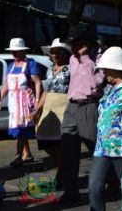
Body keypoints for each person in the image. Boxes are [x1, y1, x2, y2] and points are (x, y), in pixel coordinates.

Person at [89, 46, 122, 211]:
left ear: (116, 68)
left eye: (106, 69)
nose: (104, 73)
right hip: (102, 147)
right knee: (94, 187)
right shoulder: (109, 89)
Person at [59, 31, 105, 203]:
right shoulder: (72, 59)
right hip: (72, 107)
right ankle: (71, 191)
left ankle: (111, 182)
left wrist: (86, 59)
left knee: (96, 148)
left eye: (75, 43)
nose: (72, 46)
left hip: (89, 106)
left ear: (85, 43)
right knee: (69, 151)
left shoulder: (98, 59)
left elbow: (97, 83)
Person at [33, 38, 71, 185]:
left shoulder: (71, 69)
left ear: (65, 54)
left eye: (58, 52)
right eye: (52, 52)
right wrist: (38, 108)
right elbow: (46, 91)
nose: (55, 55)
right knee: (44, 141)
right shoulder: (50, 69)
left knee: (59, 142)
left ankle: (61, 174)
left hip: (64, 106)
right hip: (49, 107)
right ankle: (65, 164)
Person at [0, 38, 41, 167]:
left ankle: (18, 157)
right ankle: (26, 153)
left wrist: (38, 101)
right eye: (12, 51)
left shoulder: (30, 63)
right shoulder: (11, 65)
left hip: (25, 102)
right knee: (19, 128)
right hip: (13, 103)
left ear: (23, 51)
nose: (14, 53)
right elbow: (7, 83)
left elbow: (37, 82)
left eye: (16, 51)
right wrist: (0, 98)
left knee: (22, 129)